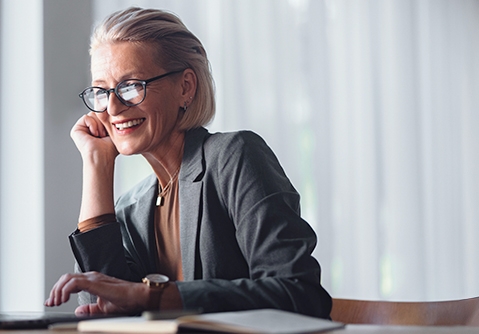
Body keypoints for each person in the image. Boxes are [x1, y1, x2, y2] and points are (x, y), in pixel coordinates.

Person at [44, 7, 331, 319]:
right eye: (102, 91)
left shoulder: (235, 156)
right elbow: (102, 307)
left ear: (185, 88)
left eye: (131, 85)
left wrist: (147, 296)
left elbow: (299, 294)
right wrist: (96, 167)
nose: (113, 107)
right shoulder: (131, 208)